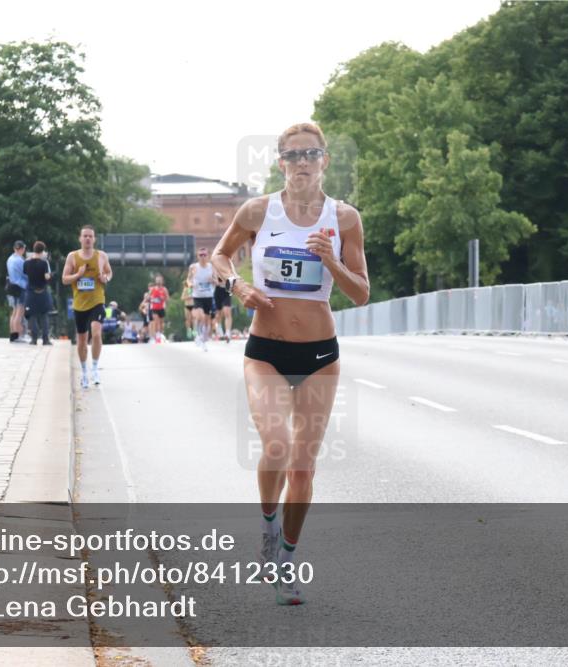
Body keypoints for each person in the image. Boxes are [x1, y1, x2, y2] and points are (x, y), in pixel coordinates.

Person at [211, 122, 369, 606]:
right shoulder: (258, 210)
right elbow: (220, 256)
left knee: (304, 469)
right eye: (293, 155)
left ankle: (286, 557)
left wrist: (333, 261)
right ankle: (267, 528)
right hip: (267, 352)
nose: (303, 163)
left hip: (320, 355)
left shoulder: (344, 219)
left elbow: (361, 293)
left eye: (312, 154)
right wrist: (238, 287)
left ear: (325, 161)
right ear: (280, 162)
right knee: (276, 446)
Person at [62, 225, 112, 387]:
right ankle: (84, 372)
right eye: (85, 236)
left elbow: (109, 272)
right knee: (82, 340)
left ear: (94, 239)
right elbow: (64, 279)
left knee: (96, 334)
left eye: (91, 236)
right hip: (79, 304)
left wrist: (105, 278)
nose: (88, 239)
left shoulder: (101, 256)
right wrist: (78, 274)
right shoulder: (73, 257)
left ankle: (95, 368)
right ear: (80, 238)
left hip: (97, 301)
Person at [23, 241, 53, 345]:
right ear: (43, 251)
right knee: (44, 315)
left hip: (31, 293)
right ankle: (45, 339)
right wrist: (50, 276)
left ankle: (34, 338)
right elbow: (46, 277)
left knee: (32, 315)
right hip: (43, 292)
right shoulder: (44, 263)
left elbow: (25, 273)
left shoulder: (26, 263)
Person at [187, 247, 216, 350]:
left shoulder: (211, 267)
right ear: (197, 256)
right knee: (201, 316)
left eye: (205, 255)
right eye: (201, 255)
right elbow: (188, 279)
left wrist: (212, 280)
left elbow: (217, 280)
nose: (203, 257)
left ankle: (203, 339)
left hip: (208, 296)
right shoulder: (193, 267)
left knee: (206, 320)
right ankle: (198, 335)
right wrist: (190, 284)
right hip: (197, 296)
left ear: (208, 256)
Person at [6, 241, 29, 343]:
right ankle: (18, 336)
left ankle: (13, 334)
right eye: (24, 248)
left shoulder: (10, 259)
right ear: (21, 249)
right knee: (19, 313)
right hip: (20, 287)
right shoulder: (20, 260)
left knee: (14, 312)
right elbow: (26, 274)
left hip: (12, 286)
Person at [149, 274, 170, 343]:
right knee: (156, 321)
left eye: (160, 280)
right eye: (157, 280)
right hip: (154, 308)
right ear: (155, 281)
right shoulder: (153, 289)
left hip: (161, 308)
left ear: (162, 281)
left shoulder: (164, 289)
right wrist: (152, 299)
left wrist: (163, 299)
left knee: (161, 323)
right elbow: (148, 297)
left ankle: (160, 335)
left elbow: (167, 299)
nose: (158, 281)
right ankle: (157, 337)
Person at [213, 273, 234, 343]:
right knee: (218, 314)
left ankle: (227, 333)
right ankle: (219, 330)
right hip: (218, 291)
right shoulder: (214, 266)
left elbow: (233, 277)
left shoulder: (228, 264)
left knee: (227, 311)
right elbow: (213, 279)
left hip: (227, 290)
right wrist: (215, 281)